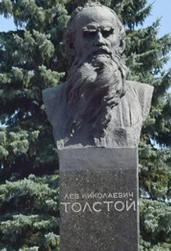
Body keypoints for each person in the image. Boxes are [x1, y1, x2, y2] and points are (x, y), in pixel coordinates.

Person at [42, 2, 153, 149]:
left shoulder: (140, 95)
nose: (100, 40)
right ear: (72, 45)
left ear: (121, 43)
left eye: (107, 32)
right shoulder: (54, 99)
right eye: (89, 34)